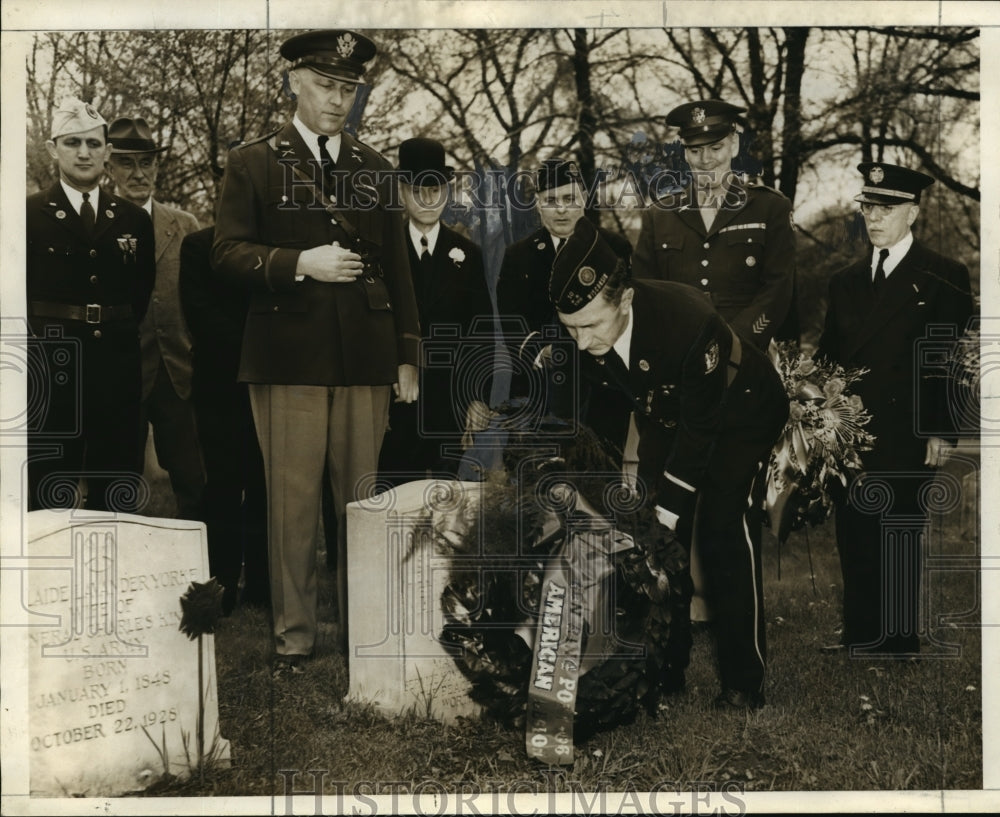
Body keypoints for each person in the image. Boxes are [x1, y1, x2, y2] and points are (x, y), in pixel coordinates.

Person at [212, 29, 421, 671]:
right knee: (292, 502)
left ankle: (363, 631)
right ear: (293, 83)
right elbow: (225, 254)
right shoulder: (254, 163)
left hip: (364, 355)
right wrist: (298, 261)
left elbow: (400, 271)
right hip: (287, 358)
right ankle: (294, 636)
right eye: (326, 85)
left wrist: (408, 354)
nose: (337, 100)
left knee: (359, 501)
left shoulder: (377, 169)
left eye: (348, 89)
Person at [549, 216, 788, 709]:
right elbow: (601, 420)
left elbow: (701, 431)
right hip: (665, 414)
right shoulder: (586, 337)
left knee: (723, 529)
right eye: (568, 329)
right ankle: (665, 668)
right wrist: (599, 496)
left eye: (590, 326)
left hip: (739, 410)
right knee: (655, 545)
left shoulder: (687, 319)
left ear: (627, 300)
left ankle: (744, 681)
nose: (580, 342)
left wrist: (667, 508)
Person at [817, 162, 973, 657]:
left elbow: (950, 360)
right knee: (854, 530)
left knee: (898, 531)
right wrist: (817, 412)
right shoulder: (843, 281)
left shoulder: (944, 276)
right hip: (852, 431)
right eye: (869, 208)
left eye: (887, 208)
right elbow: (828, 355)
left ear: (914, 212)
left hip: (909, 427)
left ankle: (898, 641)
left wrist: (942, 430)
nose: (875, 218)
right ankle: (861, 633)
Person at [26, 98, 155, 512]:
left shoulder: (133, 220)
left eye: (93, 144)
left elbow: (139, 294)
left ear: (107, 152)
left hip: (116, 366)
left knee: (115, 479)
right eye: (72, 142)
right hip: (51, 363)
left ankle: (111, 574)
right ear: (52, 148)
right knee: (49, 481)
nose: (84, 153)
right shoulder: (25, 214)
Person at [632, 99, 795, 351]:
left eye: (715, 148)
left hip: (749, 351)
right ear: (684, 153)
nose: (705, 160)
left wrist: (737, 341)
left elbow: (779, 289)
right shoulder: (659, 215)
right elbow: (645, 291)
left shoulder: (770, 207)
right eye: (695, 151)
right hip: (680, 352)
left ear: (734, 145)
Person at [377, 137, 494, 485]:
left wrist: (477, 397)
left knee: (453, 510)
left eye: (436, 187)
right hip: (396, 405)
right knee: (394, 500)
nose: (428, 198)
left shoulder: (468, 255)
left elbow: (482, 332)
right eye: (417, 188)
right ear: (401, 191)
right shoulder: (381, 253)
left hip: (452, 405)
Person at [105, 116, 205, 520]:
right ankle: (125, 577)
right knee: (119, 485)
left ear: (158, 167)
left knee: (195, 482)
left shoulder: (185, 226)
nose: (138, 173)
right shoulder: (98, 223)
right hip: (120, 373)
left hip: (179, 372)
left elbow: (203, 301)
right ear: (109, 167)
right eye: (127, 163)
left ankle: (204, 579)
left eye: (146, 162)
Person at [496, 159, 631, 435]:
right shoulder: (518, 255)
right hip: (537, 387)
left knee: (599, 471)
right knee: (532, 471)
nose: (561, 209)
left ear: (583, 199)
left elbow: (627, 312)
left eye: (569, 198)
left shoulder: (614, 247)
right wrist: (539, 351)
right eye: (550, 200)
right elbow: (508, 317)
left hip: (601, 387)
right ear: (537, 205)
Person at [179, 226, 269, 615]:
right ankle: (225, 581)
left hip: (269, 381)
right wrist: (261, 340)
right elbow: (200, 314)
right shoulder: (198, 246)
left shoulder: (271, 244)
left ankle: (264, 584)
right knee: (224, 485)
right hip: (218, 386)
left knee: (266, 484)